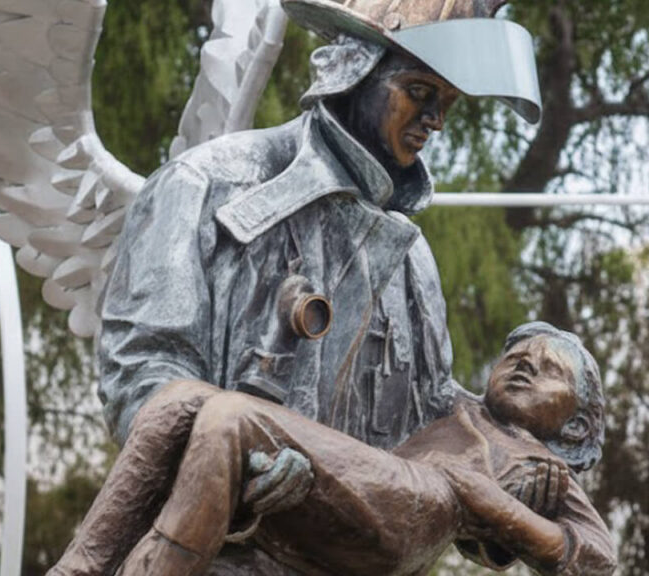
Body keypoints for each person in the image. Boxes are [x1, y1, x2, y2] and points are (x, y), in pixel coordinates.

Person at [93, 0, 547, 572]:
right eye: (419, 91)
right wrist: (235, 462)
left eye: (448, 102)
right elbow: (142, 372)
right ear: (350, 70)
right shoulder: (204, 186)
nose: (436, 120)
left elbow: (430, 423)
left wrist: (512, 468)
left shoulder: (412, 259)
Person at [51, 323, 617, 575]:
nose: (524, 365)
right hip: (380, 487)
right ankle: (79, 568)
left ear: (574, 427)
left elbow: (598, 560)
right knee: (180, 399)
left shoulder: (543, 465)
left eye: (548, 370)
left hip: (420, 512)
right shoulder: (451, 402)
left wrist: (500, 510)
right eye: (516, 356)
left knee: (231, 418)